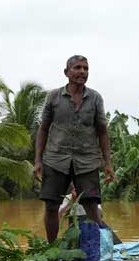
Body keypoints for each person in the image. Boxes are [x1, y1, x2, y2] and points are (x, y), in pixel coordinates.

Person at [34, 55, 116, 242]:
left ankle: (105, 247)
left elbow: (102, 131)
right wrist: (38, 160)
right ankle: (52, 248)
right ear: (66, 72)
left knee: (91, 206)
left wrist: (108, 163)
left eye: (85, 68)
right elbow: (44, 128)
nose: (82, 72)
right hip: (56, 159)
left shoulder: (95, 98)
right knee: (51, 206)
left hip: (86, 161)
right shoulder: (54, 96)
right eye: (77, 68)